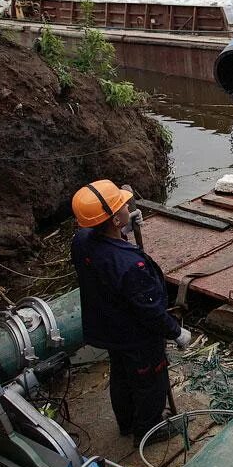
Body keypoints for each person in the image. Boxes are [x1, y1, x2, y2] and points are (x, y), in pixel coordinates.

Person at [70, 179, 192, 444]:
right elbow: (149, 310)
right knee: (151, 383)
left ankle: (126, 423)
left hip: (109, 329)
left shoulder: (81, 241)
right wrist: (176, 332)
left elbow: (99, 245)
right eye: (121, 206)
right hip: (137, 337)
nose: (127, 204)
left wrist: (121, 231)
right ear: (113, 220)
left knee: (122, 376)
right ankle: (148, 431)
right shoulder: (130, 265)